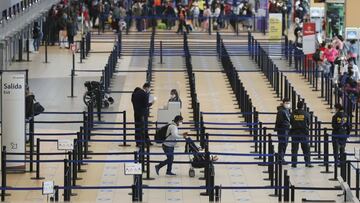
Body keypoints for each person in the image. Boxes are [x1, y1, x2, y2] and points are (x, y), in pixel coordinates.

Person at [290, 101, 313, 168]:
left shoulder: (293, 113)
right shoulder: (306, 114)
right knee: (306, 149)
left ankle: (294, 163)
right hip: (304, 133)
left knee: (294, 149)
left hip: (294, 132)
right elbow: (308, 123)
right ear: (303, 106)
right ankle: (307, 162)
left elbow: (291, 121)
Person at [275, 98, 291, 164]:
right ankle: (280, 159)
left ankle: (281, 157)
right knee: (283, 144)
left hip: (286, 129)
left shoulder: (286, 110)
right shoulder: (281, 111)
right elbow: (280, 121)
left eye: (289, 103)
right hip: (283, 130)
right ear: (284, 103)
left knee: (284, 144)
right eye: (287, 103)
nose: (288, 104)